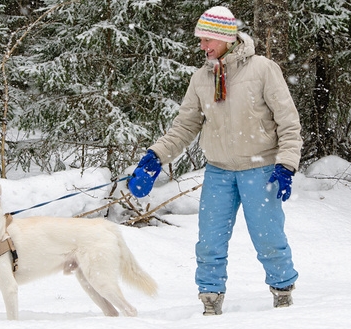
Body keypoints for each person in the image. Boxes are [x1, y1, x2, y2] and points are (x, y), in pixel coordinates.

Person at [128, 6, 302, 316]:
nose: (203, 47)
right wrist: (154, 157)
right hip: (219, 171)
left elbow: (288, 122)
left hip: (260, 169)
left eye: (208, 40)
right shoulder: (202, 78)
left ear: (226, 38)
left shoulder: (263, 69)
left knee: (268, 238)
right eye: (201, 40)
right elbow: (184, 126)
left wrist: (286, 164)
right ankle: (210, 302)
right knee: (209, 241)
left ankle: (283, 295)